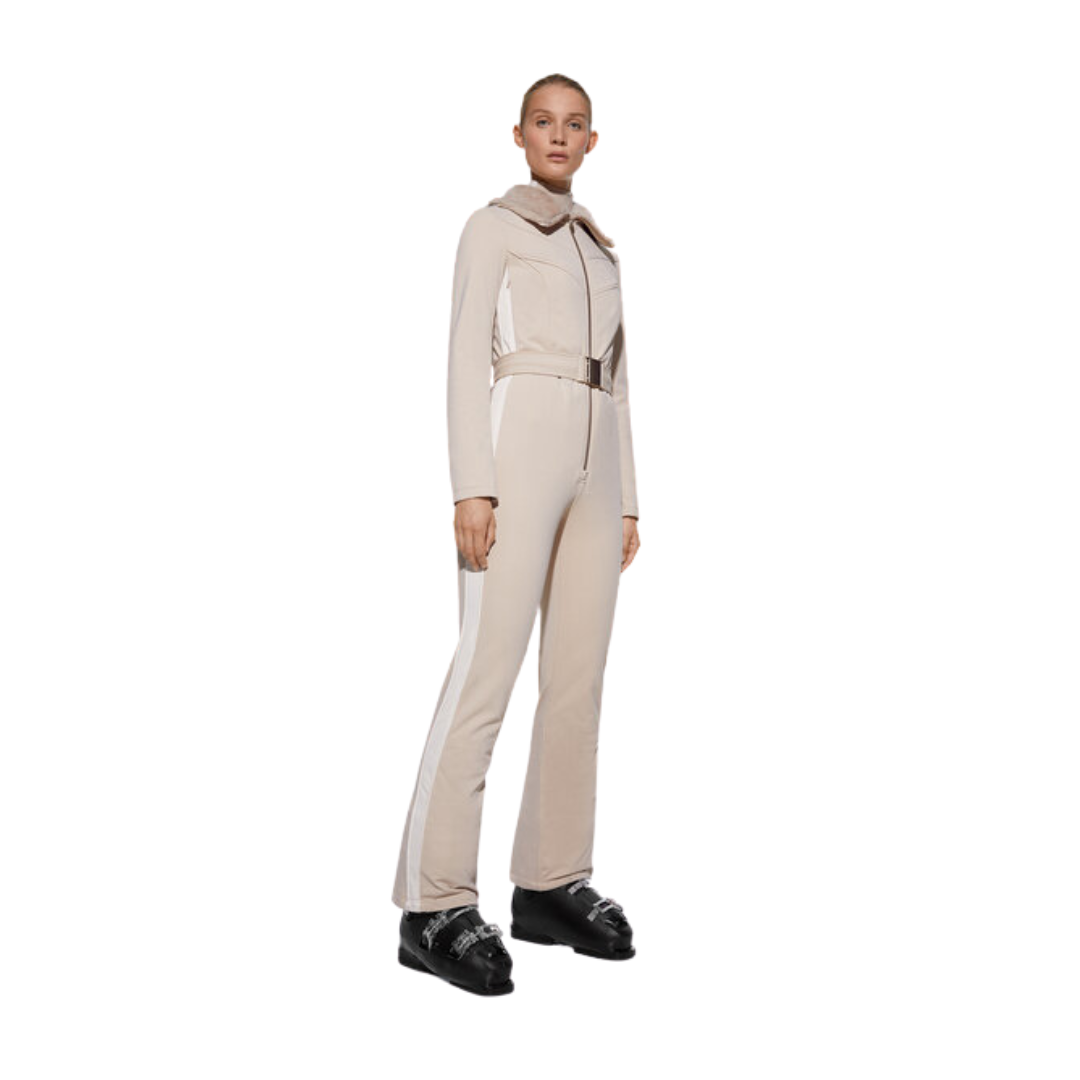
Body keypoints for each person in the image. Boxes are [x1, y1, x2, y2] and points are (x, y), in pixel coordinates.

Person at [392, 73, 642, 996]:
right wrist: (473, 485)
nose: (559, 136)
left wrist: (628, 498)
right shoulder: (492, 228)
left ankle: (549, 881)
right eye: (544, 121)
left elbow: (620, 380)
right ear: (520, 134)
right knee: (485, 669)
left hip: (596, 463)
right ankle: (432, 903)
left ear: (592, 140)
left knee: (577, 678)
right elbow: (465, 354)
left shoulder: (601, 251)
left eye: (575, 124)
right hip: (519, 441)